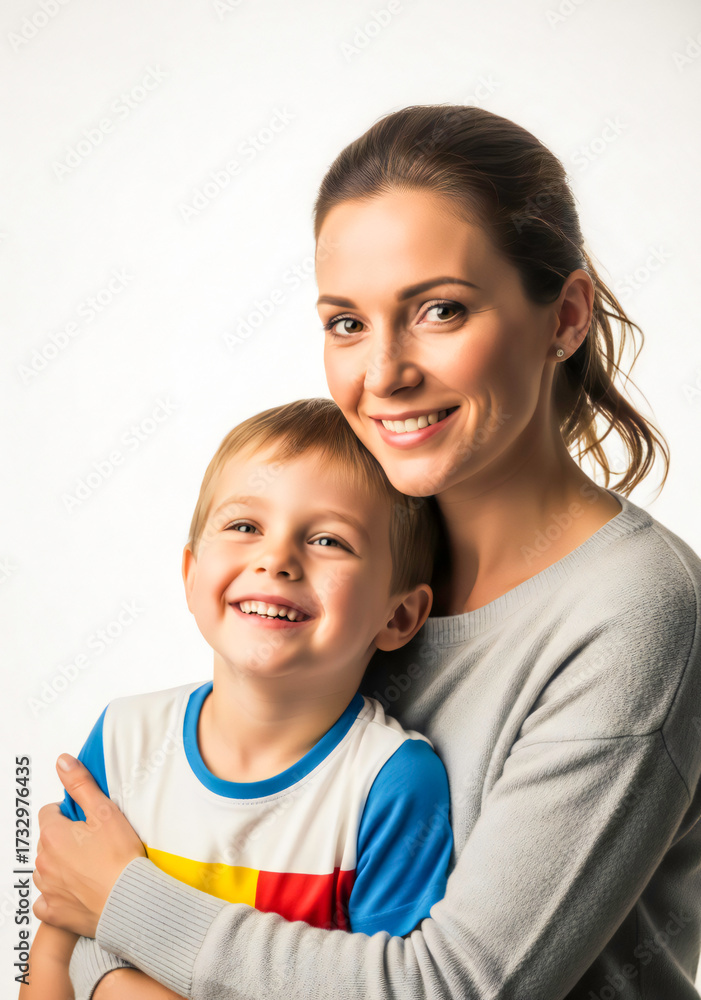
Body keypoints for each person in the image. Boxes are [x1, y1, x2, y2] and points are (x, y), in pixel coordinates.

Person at [34, 104, 701, 1000]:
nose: (382, 373)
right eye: (346, 322)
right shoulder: (344, 552)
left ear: (565, 317)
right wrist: (94, 933)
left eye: (439, 310)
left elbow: (458, 988)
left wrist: (121, 920)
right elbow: (137, 878)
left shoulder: (636, 612)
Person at [23, 398, 454, 999]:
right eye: (245, 527)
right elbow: (56, 943)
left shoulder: (391, 782)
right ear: (191, 574)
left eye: (328, 540)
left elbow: (385, 986)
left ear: (399, 615)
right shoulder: (125, 736)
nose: (276, 560)